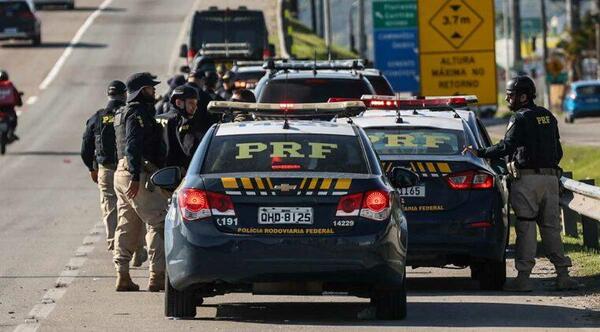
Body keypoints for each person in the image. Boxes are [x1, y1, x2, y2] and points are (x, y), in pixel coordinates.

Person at [463, 76, 579, 292]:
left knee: (526, 226)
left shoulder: (519, 118)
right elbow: (558, 150)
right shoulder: (548, 116)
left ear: (523, 96)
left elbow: (506, 146)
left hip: (527, 180)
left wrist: (480, 153)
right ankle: (563, 275)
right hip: (551, 180)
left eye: (511, 94)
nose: (508, 98)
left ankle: (523, 279)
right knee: (551, 228)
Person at [80, 81, 147, 267]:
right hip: (126, 168)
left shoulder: (98, 117)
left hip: (106, 169)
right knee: (135, 208)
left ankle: (114, 244)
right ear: (124, 94)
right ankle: (137, 249)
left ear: (108, 95)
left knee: (110, 207)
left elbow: (86, 147)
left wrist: (91, 168)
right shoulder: (128, 114)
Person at [112, 72, 168, 292]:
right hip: (138, 173)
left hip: (121, 171)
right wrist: (136, 176)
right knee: (158, 222)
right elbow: (133, 145)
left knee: (127, 224)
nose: (154, 91)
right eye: (150, 88)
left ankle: (122, 274)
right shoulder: (137, 113)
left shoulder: (121, 113)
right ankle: (157, 275)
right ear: (140, 91)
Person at [156, 85, 201, 169]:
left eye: (196, 103)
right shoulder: (183, 122)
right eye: (191, 103)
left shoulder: (157, 118)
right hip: (176, 173)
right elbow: (191, 151)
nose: (195, 107)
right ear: (179, 103)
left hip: (155, 171)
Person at [0, 70, 23, 141]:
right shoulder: (9, 85)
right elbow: (16, 95)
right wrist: (19, 102)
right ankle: (11, 132)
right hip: (9, 108)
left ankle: (10, 132)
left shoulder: (9, 85)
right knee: (14, 119)